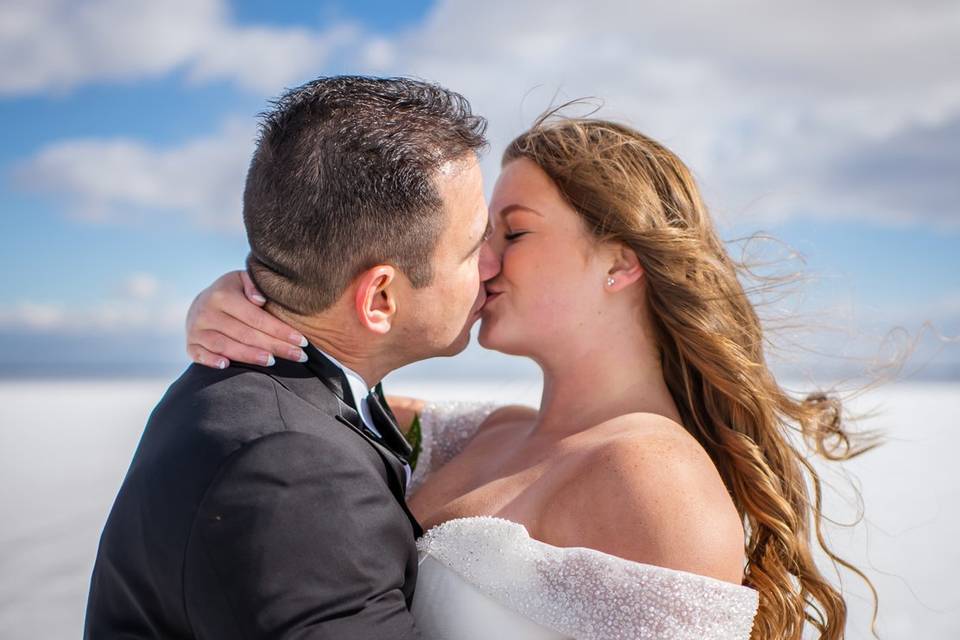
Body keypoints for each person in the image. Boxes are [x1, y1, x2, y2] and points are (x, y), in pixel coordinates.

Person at [191, 109, 878, 639]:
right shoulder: (483, 435)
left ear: (620, 261)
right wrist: (247, 300)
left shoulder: (659, 481)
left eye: (512, 233)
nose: (481, 264)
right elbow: (327, 397)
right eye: (479, 238)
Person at [84, 75, 495, 639]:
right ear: (379, 298)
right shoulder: (296, 471)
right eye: (474, 247)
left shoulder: (245, 386)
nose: (493, 265)